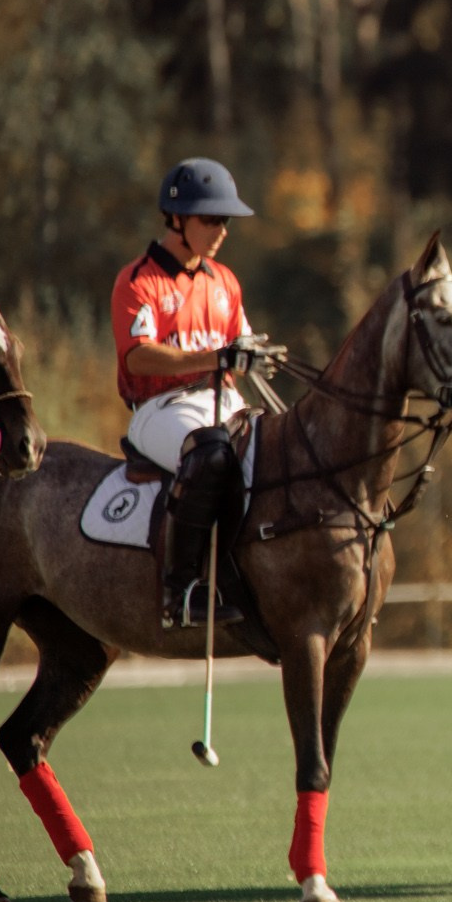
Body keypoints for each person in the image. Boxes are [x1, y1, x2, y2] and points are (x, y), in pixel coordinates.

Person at [110, 158, 273, 628]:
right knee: (211, 455)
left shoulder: (225, 282)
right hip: (160, 408)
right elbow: (137, 357)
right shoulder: (140, 281)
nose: (221, 230)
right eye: (211, 219)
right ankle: (180, 590)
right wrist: (215, 358)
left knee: (279, 449)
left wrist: (256, 356)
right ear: (177, 219)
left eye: (225, 221)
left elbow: (237, 346)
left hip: (220, 401)